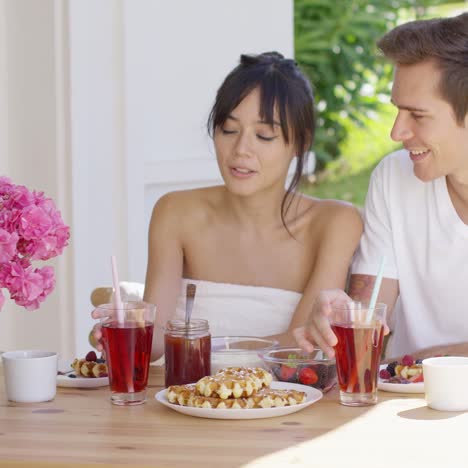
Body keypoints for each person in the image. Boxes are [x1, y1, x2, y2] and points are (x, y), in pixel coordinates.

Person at [92, 52, 362, 361]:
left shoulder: (335, 223)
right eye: (229, 130)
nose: (240, 150)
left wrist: (203, 348)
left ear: (301, 142)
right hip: (186, 397)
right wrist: (126, 331)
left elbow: (300, 345)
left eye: (264, 135)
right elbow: (154, 343)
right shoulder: (175, 213)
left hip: (286, 400)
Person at [294, 13, 468, 361]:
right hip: (404, 407)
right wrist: (338, 321)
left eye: (417, 115)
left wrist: (426, 361)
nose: (396, 132)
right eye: (397, 111)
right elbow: (368, 323)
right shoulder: (394, 177)